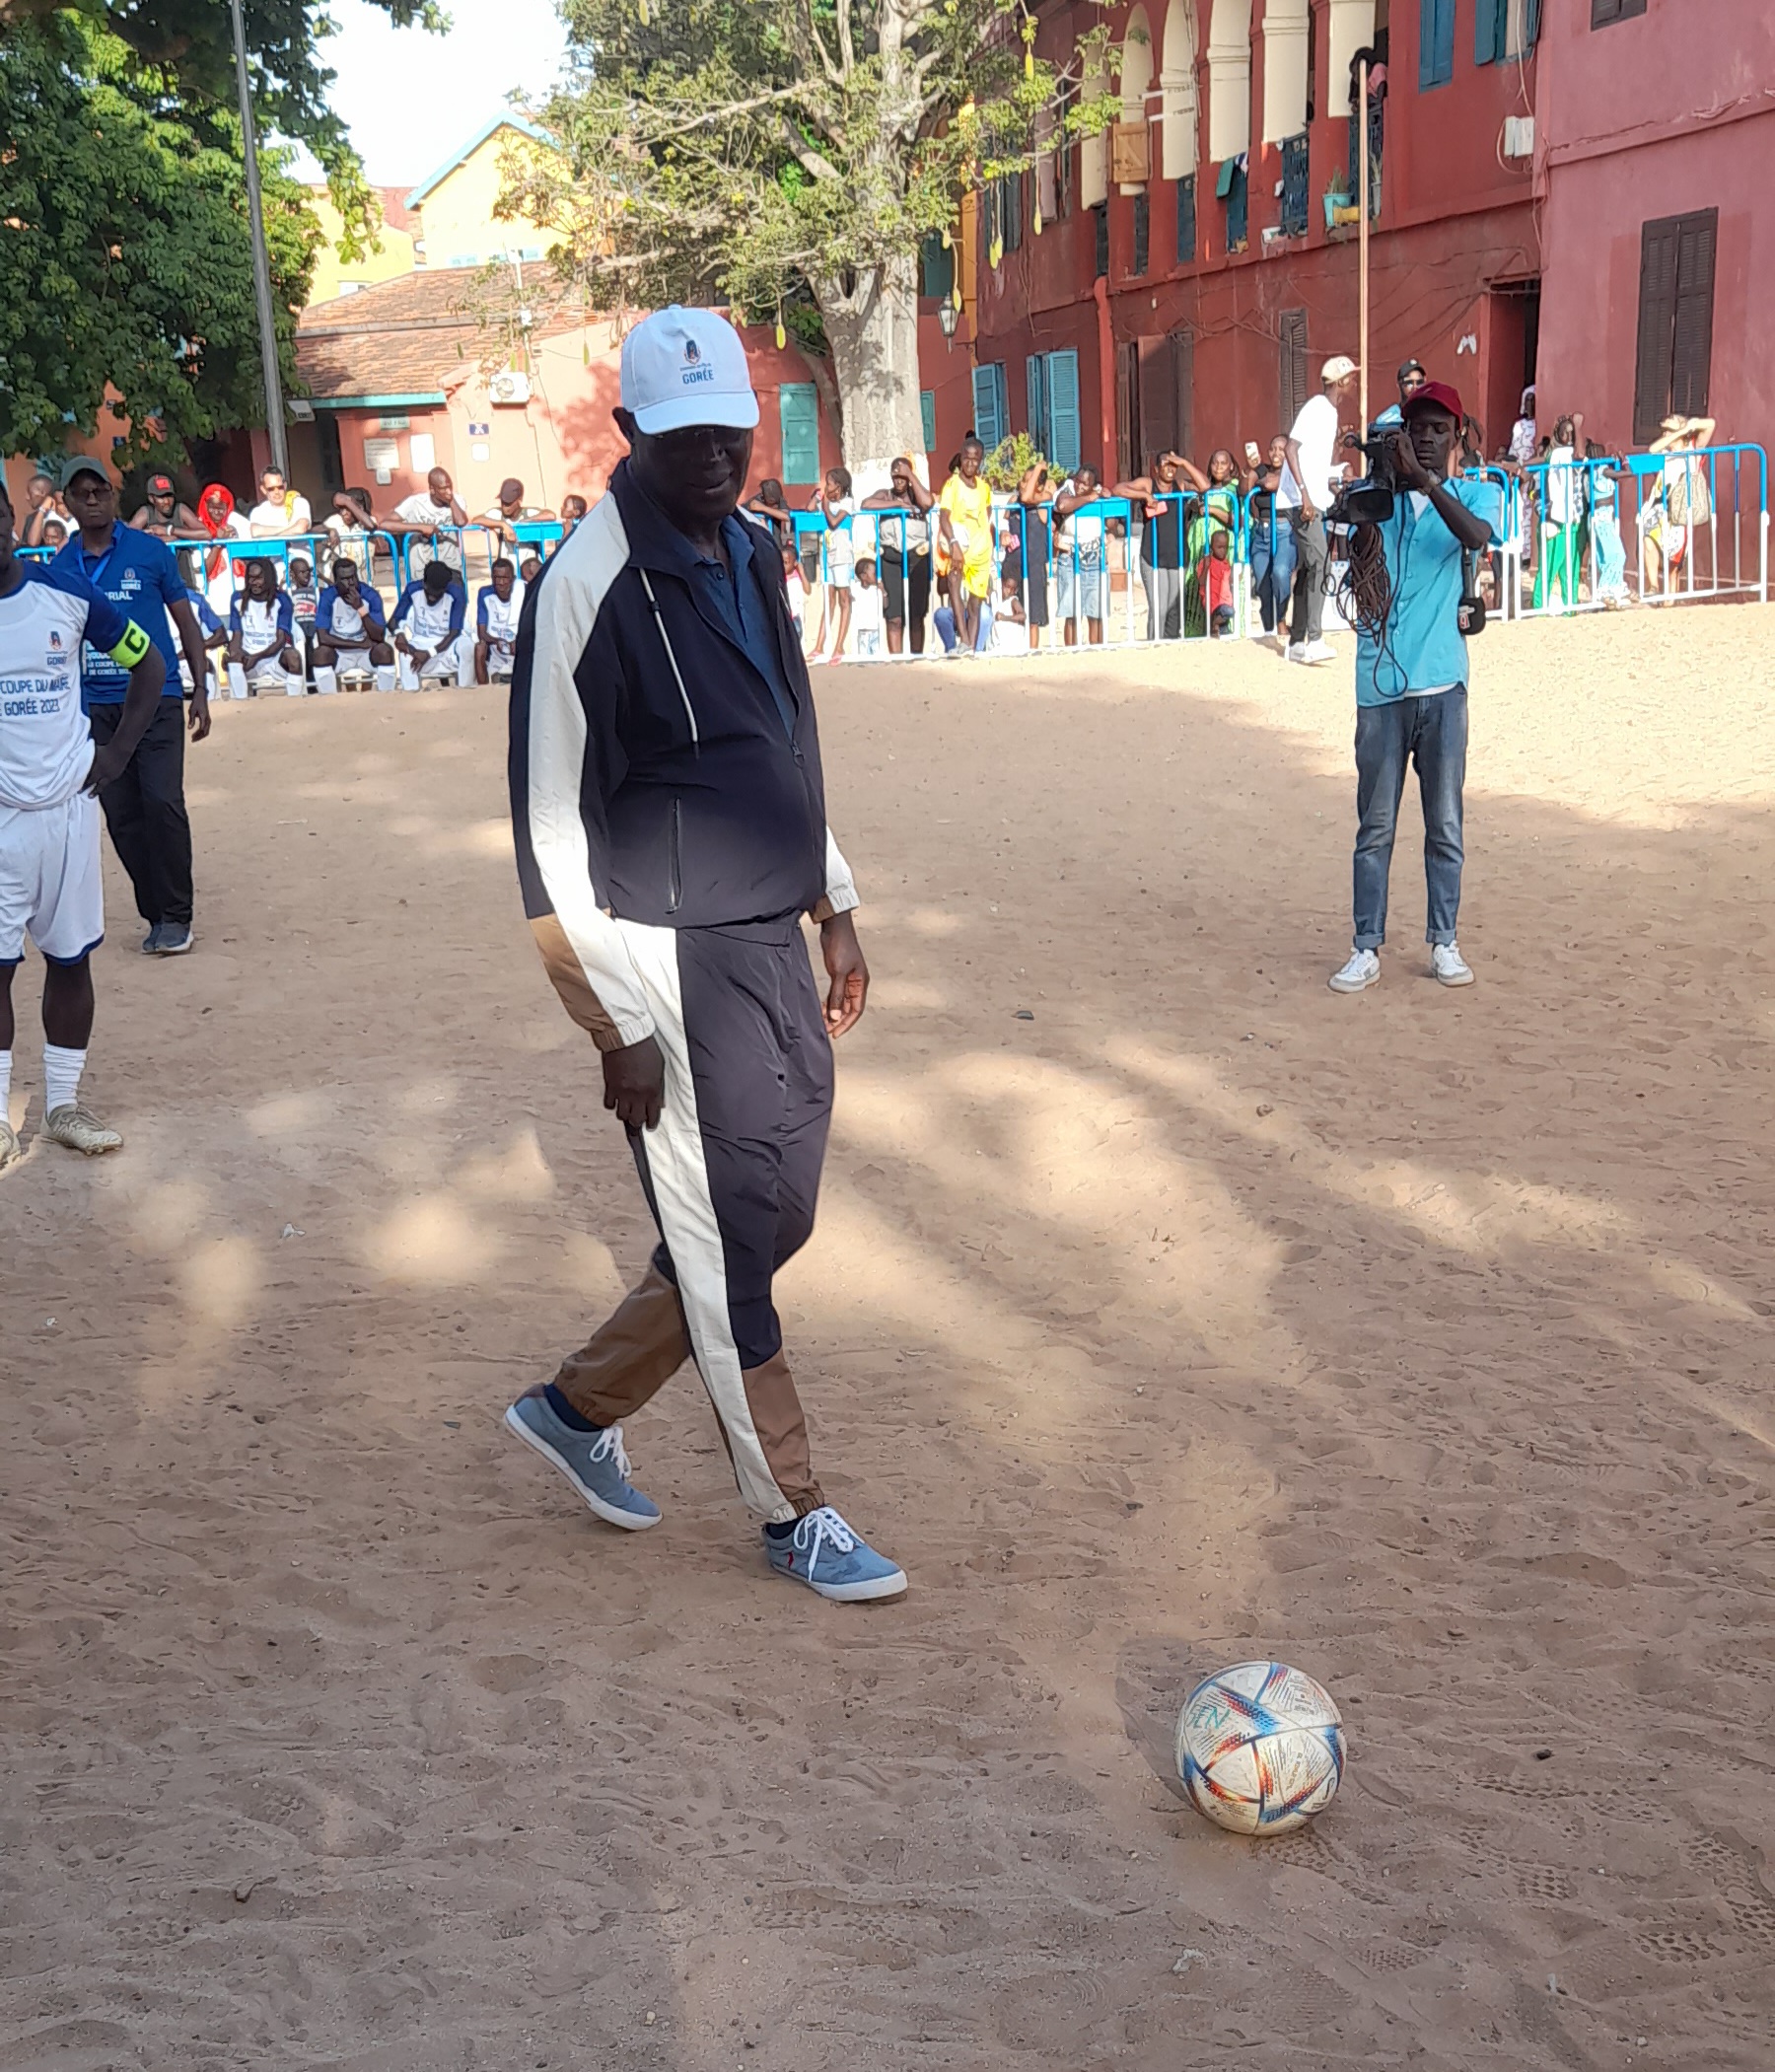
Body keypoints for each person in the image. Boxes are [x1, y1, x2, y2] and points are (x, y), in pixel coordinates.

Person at [505, 304, 903, 1601]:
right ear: (628, 435)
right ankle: (794, 1511)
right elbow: (548, 833)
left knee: (770, 1207)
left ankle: (579, 1406)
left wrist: (831, 900)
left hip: (769, 937)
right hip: (660, 959)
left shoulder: (753, 549)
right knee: (730, 1231)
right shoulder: (583, 588)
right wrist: (610, 1025)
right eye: (683, 440)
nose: (716, 456)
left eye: (730, 430)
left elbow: (787, 731)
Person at [0, 479, 168, 1168]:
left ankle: (63, 1105)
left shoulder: (65, 595)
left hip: (68, 810)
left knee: (70, 959)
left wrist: (120, 749)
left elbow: (149, 662)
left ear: (10, 519)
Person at [1326, 380, 1501, 996]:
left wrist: (1425, 484)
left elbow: (1477, 536)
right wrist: (1368, 493)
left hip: (1443, 685)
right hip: (1379, 688)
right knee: (1374, 828)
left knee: (1444, 826)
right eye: (1415, 429)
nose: (1426, 440)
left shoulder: (1477, 492)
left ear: (1456, 438)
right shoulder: (1379, 498)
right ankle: (1365, 945)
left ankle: (1444, 941)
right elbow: (1356, 571)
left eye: (1437, 431)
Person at [55, 456, 210, 957]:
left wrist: (201, 688)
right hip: (96, 708)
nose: (93, 499)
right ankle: (155, 913)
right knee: (122, 816)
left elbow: (185, 622)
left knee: (162, 802)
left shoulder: (150, 552)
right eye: (81, 493)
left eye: (100, 489)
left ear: (114, 495)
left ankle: (177, 915)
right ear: (69, 504)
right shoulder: (62, 566)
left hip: (158, 697)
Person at [1280, 354, 1358, 665]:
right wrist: (1305, 495)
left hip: (1310, 498)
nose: (1353, 383)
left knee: (1311, 567)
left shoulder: (1330, 413)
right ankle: (1314, 639)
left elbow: (1315, 464)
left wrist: (1337, 473)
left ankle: (1297, 642)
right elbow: (1290, 448)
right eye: (1350, 378)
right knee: (1320, 565)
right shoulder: (1317, 408)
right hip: (1301, 501)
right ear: (1341, 382)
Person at [862, 457, 936, 654]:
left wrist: (911, 474)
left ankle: (916, 657)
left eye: (903, 477)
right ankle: (896, 660)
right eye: (896, 477)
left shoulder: (916, 494)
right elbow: (866, 504)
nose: (899, 481)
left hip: (917, 558)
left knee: (916, 614)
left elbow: (928, 502)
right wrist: (896, 505)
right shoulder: (885, 495)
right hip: (891, 558)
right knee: (894, 615)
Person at [1112, 451, 1187, 640]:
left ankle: (1170, 644)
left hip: (1177, 555)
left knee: (1173, 607)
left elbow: (1205, 486)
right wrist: (1145, 495)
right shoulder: (1148, 484)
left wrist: (1184, 463)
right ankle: (1154, 645)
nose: (1169, 468)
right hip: (1152, 554)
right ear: (1156, 468)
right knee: (1159, 607)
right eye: (1165, 464)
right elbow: (1118, 489)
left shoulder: (1181, 485)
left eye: (1173, 465)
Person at [1642, 412, 1716, 596]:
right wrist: (1675, 434)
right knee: (1648, 541)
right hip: (1659, 508)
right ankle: (1653, 587)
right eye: (1664, 429)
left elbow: (1711, 424)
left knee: (1673, 565)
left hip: (1680, 510)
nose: (1665, 433)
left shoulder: (1692, 448)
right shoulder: (1664, 451)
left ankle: (1670, 605)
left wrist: (1689, 428)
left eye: (1669, 429)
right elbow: (1652, 449)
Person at [937, 437, 994, 654]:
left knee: (975, 603)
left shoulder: (984, 488)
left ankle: (970, 647)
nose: (970, 463)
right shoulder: (952, 485)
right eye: (966, 458)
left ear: (980, 461)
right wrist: (954, 543)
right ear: (961, 458)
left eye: (975, 459)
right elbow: (944, 517)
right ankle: (964, 640)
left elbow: (986, 513)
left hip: (981, 550)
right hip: (960, 547)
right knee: (954, 586)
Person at [228, 557, 302, 695]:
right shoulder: (237, 599)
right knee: (234, 660)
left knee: (294, 657)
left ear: (268, 578)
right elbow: (236, 636)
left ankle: (295, 703)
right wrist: (232, 653)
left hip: (274, 656)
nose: (254, 582)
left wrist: (257, 657)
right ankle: (240, 705)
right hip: (248, 656)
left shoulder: (282, 600)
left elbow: (280, 640)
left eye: (258, 578)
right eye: (250, 578)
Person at [1533, 411, 1584, 615]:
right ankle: (1539, 607)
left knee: (1570, 568)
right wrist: (1578, 425)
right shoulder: (1558, 454)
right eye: (1567, 433)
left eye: (1574, 434)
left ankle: (1569, 607)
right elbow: (1579, 455)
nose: (1571, 438)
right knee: (1549, 566)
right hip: (1555, 519)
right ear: (1558, 435)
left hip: (1572, 519)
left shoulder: (1564, 453)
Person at [1247, 434, 1296, 641]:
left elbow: (1270, 483)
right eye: (1273, 449)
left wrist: (1258, 476)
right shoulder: (1262, 470)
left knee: (1280, 572)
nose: (1276, 453)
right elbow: (1245, 488)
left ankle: (1282, 619)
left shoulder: (1292, 473)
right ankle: (1268, 627)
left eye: (1281, 449)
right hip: (1261, 531)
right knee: (1261, 583)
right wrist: (1253, 470)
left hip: (1284, 530)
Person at [1052, 465, 1108, 644]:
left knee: (1095, 611)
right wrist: (1088, 498)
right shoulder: (1067, 489)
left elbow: (1113, 521)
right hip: (1070, 555)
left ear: (1093, 485)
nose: (1080, 486)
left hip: (1094, 556)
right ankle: (1071, 652)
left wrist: (1103, 496)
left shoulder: (1097, 494)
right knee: (1071, 612)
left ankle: (1096, 652)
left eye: (1085, 484)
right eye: (1078, 480)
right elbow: (1062, 505)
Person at [390, 559, 466, 685]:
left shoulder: (457, 594)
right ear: (424, 582)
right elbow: (394, 620)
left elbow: (454, 633)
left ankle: (468, 694)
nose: (431, 597)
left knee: (467, 647)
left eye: (437, 593)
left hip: (447, 645)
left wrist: (429, 653)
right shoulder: (412, 589)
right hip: (421, 643)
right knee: (405, 657)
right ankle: (411, 698)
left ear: (445, 587)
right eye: (429, 591)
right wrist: (399, 634)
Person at [314, 558, 391, 681]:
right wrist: (358, 644)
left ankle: (388, 697)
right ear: (336, 581)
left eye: (353, 577)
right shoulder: (328, 596)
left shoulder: (370, 595)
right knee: (320, 654)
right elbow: (322, 638)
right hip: (339, 651)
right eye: (344, 579)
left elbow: (379, 636)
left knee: (385, 651)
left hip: (366, 651)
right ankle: (328, 699)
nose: (350, 582)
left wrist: (361, 609)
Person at [810, 465, 855, 662]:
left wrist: (826, 506)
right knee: (829, 600)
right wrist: (817, 497)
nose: (826, 487)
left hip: (842, 555)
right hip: (828, 554)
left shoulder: (847, 502)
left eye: (829, 484)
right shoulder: (826, 501)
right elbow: (810, 509)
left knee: (844, 598)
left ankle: (839, 646)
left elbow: (835, 522)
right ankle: (819, 645)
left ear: (839, 486)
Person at [183, 482, 250, 614]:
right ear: (205, 505)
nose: (217, 512)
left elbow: (252, 559)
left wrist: (236, 541)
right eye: (212, 507)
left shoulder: (236, 522)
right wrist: (219, 543)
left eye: (221, 508)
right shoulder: (197, 529)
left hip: (241, 596)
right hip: (213, 600)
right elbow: (203, 571)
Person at [389, 468, 467, 574]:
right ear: (432, 489)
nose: (448, 491)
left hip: (451, 566)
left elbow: (461, 522)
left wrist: (451, 500)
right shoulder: (415, 502)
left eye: (450, 486)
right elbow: (385, 524)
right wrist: (420, 527)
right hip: (421, 567)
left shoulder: (457, 500)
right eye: (443, 488)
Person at [1586, 439, 1631, 607]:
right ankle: (1606, 589)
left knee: (1605, 556)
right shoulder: (1602, 470)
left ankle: (1614, 589)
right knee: (1616, 554)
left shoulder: (1591, 472)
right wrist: (1624, 460)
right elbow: (1627, 473)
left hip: (1598, 515)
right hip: (1602, 515)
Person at [474, 556, 526, 683]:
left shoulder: (522, 595)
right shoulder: (485, 594)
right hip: (496, 649)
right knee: (479, 647)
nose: (501, 583)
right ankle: (483, 691)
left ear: (512, 579)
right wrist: (496, 641)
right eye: (497, 578)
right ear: (492, 578)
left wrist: (518, 641)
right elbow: (482, 632)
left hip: (518, 648)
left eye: (505, 578)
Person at [481, 477, 555, 550]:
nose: (505, 507)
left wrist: (527, 521)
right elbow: (477, 520)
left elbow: (551, 515)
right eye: (503, 502)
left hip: (530, 560)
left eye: (509, 503)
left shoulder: (528, 513)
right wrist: (502, 525)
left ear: (519, 500)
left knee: (532, 563)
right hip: (505, 561)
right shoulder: (497, 514)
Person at [322, 486, 379, 580]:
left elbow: (371, 526)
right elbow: (313, 530)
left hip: (362, 579)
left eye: (348, 508)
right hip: (337, 581)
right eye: (341, 508)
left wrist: (347, 502)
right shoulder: (335, 520)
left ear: (359, 508)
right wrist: (329, 530)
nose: (344, 513)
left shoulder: (367, 521)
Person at [248, 465, 313, 539]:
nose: (277, 492)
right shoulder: (258, 511)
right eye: (271, 489)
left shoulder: (299, 503)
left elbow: (300, 528)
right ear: (263, 490)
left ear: (284, 486)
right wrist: (290, 527)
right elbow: (255, 532)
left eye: (280, 487)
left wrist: (268, 533)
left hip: (297, 551)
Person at [130, 472, 198, 539]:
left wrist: (170, 531)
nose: (166, 501)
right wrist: (148, 535)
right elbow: (128, 536)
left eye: (169, 496)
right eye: (161, 497)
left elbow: (206, 533)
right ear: (151, 499)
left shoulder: (181, 509)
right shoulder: (145, 513)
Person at [20, 470, 68, 550]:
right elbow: (32, 545)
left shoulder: (63, 514)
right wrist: (42, 510)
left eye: (30, 492)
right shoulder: (32, 518)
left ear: (42, 493)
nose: (27, 497)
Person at [1375, 359, 1427, 431]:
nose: (1415, 387)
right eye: (1409, 382)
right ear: (1399, 384)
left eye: (1419, 382)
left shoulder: (1432, 416)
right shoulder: (1387, 420)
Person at [849, 555, 884, 659]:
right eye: (874, 573)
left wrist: (884, 592)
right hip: (862, 630)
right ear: (863, 576)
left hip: (876, 629)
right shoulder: (855, 587)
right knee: (863, 657)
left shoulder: (876, 590)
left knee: (877, 657)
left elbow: (885, 605)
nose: (876, 576)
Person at [1203, 527, 1235, 635]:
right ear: (1212, 547)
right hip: (1213, 602)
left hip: (1224, 601)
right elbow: (1202, 582)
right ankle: (1214, 623)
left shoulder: (1226, 563)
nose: (1223, 551)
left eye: (1225, 547)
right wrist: (1206, 567)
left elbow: (1230, 582)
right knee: (1230, 611)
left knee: (1225, 631)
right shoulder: (1207, 562)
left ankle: (1217, 628)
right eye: (1219, 547)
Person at [782, 540, 810, 642]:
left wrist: (802, 573)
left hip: (794, 619)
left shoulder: (797, 576)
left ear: (794, 563)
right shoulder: (780, 577)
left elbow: (808, 590)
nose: (783, 566)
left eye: (786, 563)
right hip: (784, 617)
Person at [1508, 387, 1538, 467]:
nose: (1530, 403)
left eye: (1533, 400)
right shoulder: (1518, 424)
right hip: (1516, 460)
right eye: (1528, 400)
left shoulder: (1537, 423)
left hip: (1530, 462)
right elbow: (1514, 446)